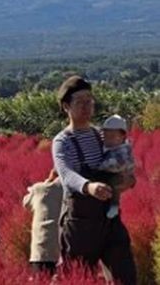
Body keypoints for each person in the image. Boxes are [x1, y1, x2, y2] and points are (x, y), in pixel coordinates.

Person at [52, 76, 137, 284]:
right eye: (80, 102)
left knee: (124, 275)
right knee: (76, 279)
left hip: (110, 219)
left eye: (89, 100)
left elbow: (123, 163)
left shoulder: (102, 135)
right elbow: (66, 174)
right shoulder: (63, 141)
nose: (87, 106)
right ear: (66, 106)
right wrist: (88, 186)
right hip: (81, 223)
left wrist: (129, 180)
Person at [22, 168, 63, 275]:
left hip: (41, 249)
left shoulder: (39, 189)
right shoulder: (68, 189)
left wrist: (48, 181)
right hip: (62, 247)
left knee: (41, 278)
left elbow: (26, 202)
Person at [98, 114, 135, 219]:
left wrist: (99, 167)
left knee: (115, 185)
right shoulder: (109, 146)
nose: (108, 140)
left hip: (118, 174)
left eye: (112, 137)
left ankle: (114, 206)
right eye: (106, 136)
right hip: (110, 176)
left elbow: (117, 165)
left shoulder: (122, 150)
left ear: (123, 137)